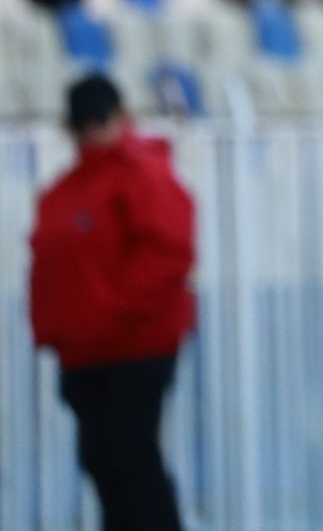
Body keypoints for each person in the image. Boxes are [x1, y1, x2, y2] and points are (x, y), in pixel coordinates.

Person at [28, 74, 195, 531]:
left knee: (131, 462)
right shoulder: (68, 189)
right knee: (106, 464)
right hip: (88, 353)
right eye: (85, 122)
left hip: (134, 347)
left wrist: (111, 314)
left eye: (100, 118)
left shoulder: (141, 174)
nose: (94, 131)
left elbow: (167, 253)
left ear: (122, 117)